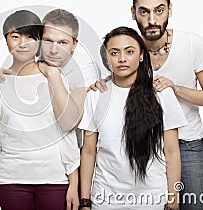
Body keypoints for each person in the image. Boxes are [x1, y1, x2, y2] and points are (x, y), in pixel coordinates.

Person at [92, 0, 203, 209]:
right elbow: (118, 80)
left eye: (159, 10)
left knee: (195, 206)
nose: (152, 19)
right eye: (144, 12)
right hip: (146, 143)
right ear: (133, 13)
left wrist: (175, 88)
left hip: (187, 142)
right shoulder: (131, 49)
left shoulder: (192, 44)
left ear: (170, 10)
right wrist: (99, 85)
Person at [79, 26, 187, 209]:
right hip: (106, 199)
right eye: (114, 53)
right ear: (107, 58)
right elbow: (89, 152)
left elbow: (171, 151)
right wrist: (85, 200)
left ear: (142, 55)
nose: (122, 59)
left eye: (129, 51)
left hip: (152, 199)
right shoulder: (95, 96)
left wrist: (173, 201)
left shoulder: (161, 94)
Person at [0, 10, 80, 210]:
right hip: (10, 180)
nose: (23, 43)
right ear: (6, 40)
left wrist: (73, 182)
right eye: (15, 36)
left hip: (54, 179)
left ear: (38, 42)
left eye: (30, 37)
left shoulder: (55, 77)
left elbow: (66, 134)